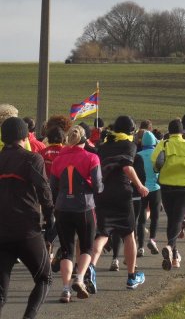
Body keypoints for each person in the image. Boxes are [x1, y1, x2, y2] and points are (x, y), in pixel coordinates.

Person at [0, 117, 54, 318]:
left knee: (0, 292)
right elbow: (44, 190)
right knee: (44, 278)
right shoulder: (32, 158)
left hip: (1, 232)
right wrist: (50, 217)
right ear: (25, 136)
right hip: (26, 230)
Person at [90, 115, 148, 290]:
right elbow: (127, 167)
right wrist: (140, 186)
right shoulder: (129, 145)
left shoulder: (104, 146)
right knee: (129, 234)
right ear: (131, 131)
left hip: (102, 193)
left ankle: (89, 269)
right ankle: (131, 276)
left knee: (102, 234)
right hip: (121, 194)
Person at [49, 125, 103, 302]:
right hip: (84, 207)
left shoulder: (58, 160)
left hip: (62, 208)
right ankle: (79, 278)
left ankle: (65, 289)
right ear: (85, 139)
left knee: (66, 250)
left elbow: (53, 188)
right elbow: (97, 186)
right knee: (86, 247)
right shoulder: (92, 157)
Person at [151, 119, 185, 271]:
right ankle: (170, 247)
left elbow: (154, 162)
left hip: (166, 185)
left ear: (169, 131)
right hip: (184, 186)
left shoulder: (163, 144)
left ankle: (174, 255)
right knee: (177, 219)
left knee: (172, 219)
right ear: (183, 132)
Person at [136, 131, 161, 256]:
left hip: (141, 189)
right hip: (156, 188)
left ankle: (140, 246)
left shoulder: (137, 155)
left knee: (141, 219)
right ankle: (152, 239)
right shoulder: (157, 154)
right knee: (155, 216)